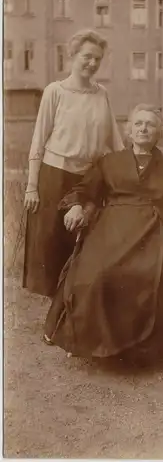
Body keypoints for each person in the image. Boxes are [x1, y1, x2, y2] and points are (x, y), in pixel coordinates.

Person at [43, 104, 163, 365]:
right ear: (129, 132)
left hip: (150, 231)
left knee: (155, 276)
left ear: (159, 133)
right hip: (111, 228)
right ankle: (98, 344)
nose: (143, 128)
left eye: (150, 124)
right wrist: (77, 206)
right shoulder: (109, 162)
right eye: (138, 124)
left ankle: (139, 351)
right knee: (95, 276)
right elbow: (87, 189)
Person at [23, 29, 124, 298]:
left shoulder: (101, 94)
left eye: (97, 59)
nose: (92, 63)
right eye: (87, 57)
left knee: (81, 243)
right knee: (51, 243)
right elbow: (38, 140)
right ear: (73, 55)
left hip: (87, 178)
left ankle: (72, 303)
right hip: (54, 175)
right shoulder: (54, 92)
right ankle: (53, 312)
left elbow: (115, 141)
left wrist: (131, 169)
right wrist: (32, 186)